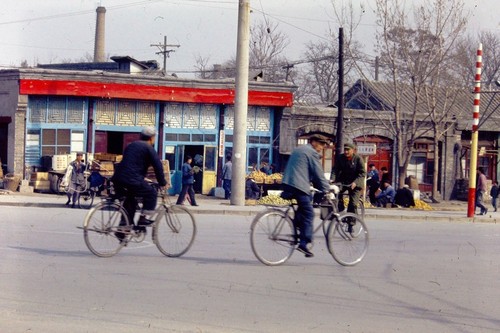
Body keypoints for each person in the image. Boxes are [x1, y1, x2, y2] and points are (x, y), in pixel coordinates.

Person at [111, 126, 167, 236]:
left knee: (130, 200)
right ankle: (142, 219)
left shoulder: (131, 145)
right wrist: (162, 182)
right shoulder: (148, 148)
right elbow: (158, 166)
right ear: (152, 138)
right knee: (151, 193)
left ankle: (124, 228)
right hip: (132, 179)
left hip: (118, 178)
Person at [282, 134, 330, 258]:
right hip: (299, 186)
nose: (321, 148)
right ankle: (304, 243)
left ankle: (297, 227)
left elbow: (306, 171)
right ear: (313, 142)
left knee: (305, 204)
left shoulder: (299, 149)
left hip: (288, 184)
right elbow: (318, 174)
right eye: (320, 144)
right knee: (309, 214)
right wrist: (326, 189)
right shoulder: (311, 152)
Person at [330, 142, 366, 215]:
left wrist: (356, 182)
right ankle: (340, 209)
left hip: (355, 182)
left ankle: (351, 222)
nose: (346, 152)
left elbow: (362, 173)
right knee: (336, 192)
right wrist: (332, 178)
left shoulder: (358, 159)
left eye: (348, 150)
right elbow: (335, 169)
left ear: (353, 150)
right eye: (345, 150)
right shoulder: (340, 157)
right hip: (343, 181)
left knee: (353, 204)